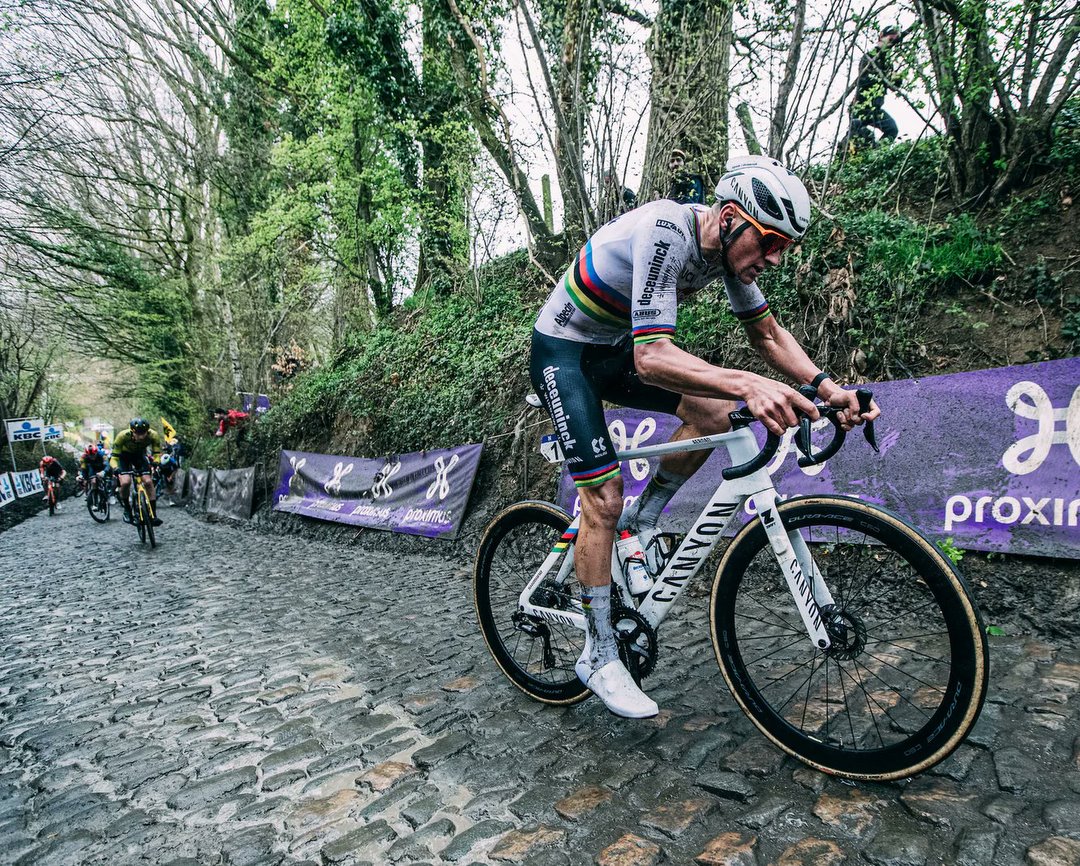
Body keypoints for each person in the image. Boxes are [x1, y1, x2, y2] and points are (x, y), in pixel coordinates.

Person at [530, 153, 880, 718]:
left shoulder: (728, 258)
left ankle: (644, 523)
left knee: (716, 417)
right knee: (603, 497)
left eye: (784, 248)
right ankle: (597, 654)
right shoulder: (667, 229)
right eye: (768, 241)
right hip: (566, 353)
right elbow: (651, 357)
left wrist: (828, 388)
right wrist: (746, 385)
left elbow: (768, 334)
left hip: (614, 351)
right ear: (729, 217)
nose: (773, 258)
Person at [847, 26, 903, 150]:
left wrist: (897, 79)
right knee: (856, 138)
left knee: (892, 129)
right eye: (890, 40)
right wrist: (883, 77)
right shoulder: (868, 58)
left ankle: (877, 153)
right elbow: (864, 80)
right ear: (881, 36)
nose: (890, 44)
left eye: (893, 42)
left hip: (875, 109)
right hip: (860, 107)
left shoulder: (887, 63)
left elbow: (894, 86)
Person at [109, 417, 164, 526]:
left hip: (139, 456)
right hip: (123, 457)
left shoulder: (153, 435)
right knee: (125, 482)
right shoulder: (122, 436)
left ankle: (153, 515)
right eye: (138, 433)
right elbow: (114, 458)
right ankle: (127, 510)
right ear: (132, 431)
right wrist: (116, 468)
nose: (141, 436)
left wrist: (156, 462)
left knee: (148, 482)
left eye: (144, 433)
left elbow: (157, 453)